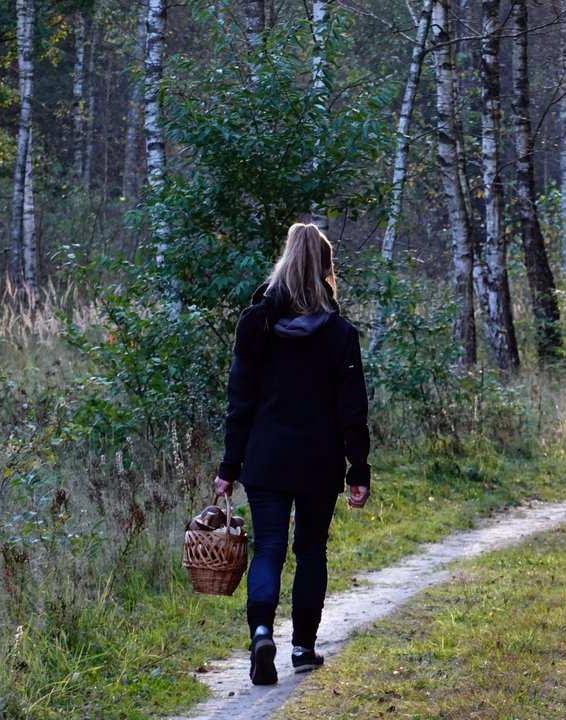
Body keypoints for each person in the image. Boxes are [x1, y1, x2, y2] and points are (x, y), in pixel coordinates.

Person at [212, 222, 371, 686]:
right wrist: (358, 468)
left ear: (284, 261)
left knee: (269, 549)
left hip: (265, 458)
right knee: (311, 551)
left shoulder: (255, 325)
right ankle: (303, 648)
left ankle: (262, 632)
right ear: (325, 270)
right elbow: (352, 409)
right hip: (319, 460)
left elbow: (239, 402)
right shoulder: (340, 333)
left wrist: (229, 466)